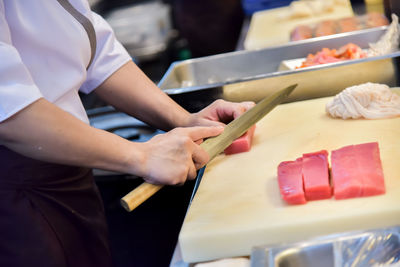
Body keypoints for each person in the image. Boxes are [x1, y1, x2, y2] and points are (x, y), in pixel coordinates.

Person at [0, 1, 253, 267]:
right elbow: (8, 110)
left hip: (68, 170)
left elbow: (97, 51)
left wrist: (186, 120)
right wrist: (141, 156)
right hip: (17, 191)